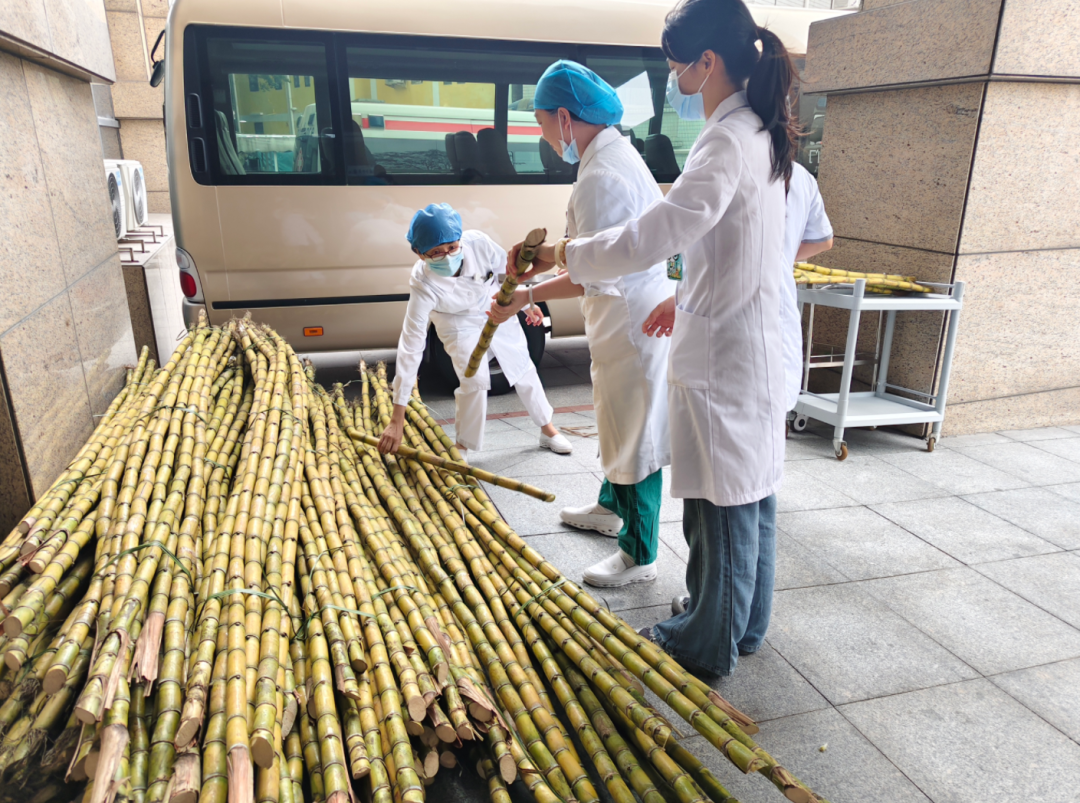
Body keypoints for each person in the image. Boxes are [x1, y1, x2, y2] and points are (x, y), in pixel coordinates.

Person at [506, 0, 798, 677]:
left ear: (707, 62)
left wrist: (560, 254)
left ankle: (705, 640)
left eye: (675, 66)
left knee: (719, 508)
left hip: (728, 353)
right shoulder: (760, 130)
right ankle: (742, 624)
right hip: (748, 338)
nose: (673, 80)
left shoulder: (725, 141)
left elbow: (654, 235)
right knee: (751, 498)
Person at [488, 61, 673, 588]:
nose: (545, 137)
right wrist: (539, 267)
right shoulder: (612, 157)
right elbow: (588, 255)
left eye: (543, 124)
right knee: (616, 422)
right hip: (620, 319)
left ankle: (640, 554)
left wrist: (524, 296)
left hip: (630, 323)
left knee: (634, 435)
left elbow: (591, 270)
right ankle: (611, 508)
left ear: (565, 118)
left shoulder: (601, 176)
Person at [378, 203, 573, 458]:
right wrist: (397, 417)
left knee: (521, 365)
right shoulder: (422, 284)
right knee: (474, 379)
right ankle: (463, 444)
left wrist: (527, 304)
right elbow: (411, 345)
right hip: (455, 321)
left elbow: (507, 275)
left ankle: (548, 430)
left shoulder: (479, 244)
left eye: (452, 247)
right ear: (419, 253)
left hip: (491, 304)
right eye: (436, 252)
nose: (447, 256)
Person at [781, 162, 834, 412]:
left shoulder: (729, 159)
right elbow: (823, 241)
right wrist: (782, 258)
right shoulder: (801, 175)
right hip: (778, 293)